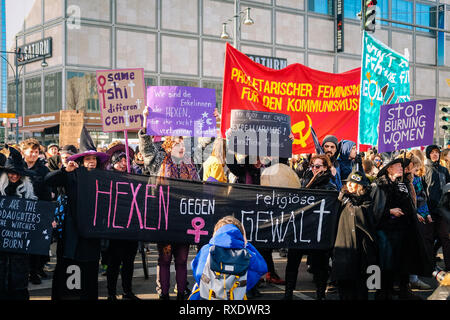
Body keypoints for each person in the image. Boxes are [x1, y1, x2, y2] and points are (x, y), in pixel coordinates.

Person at [45, 127, 110, 300]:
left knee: (89, 271)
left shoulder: (102, 178)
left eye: (94, 159)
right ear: (82, 160)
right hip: (72, 233)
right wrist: (65, 170)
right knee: (69, 268)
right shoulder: (72, 175)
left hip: (92, 234)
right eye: (88, 159)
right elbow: (48, 180)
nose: (91, 162)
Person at [371, 155, 432, 300]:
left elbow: (409, 204)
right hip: (386, 231)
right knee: (386, 262)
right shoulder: (379, 186)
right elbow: (373, 209)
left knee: (405, 260)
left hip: (404, 229)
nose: (401, 168)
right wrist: (389, 211)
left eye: (401, 166)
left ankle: (404, 290)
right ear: (389, 169)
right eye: (397, 166)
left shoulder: (403, 184)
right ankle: (384, 292)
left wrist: (414, 214)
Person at [283, 154, 337, 300]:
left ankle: (320, 294)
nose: (314, 169)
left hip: (317, 230)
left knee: (321, 265)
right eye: (312, 166)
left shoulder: (329, 186)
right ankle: (288, 293)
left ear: (325, 168)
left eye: (318, 166)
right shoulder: (303, 182)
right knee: (292, 262)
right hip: (300, 229)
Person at [157, 135, 200, 300]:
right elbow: (147, 147)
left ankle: (181, 293)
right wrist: (146, 124)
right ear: (168, 147)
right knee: (165, 259)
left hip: (184, 219)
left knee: (182, 260)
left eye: (183, 144)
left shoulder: (190, 164)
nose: (181, 147)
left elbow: (197, 187)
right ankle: (164, 294)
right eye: (176, 144)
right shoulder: (159, 163)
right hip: (165, 218)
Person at [188, 216, 268, 300]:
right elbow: (262, 268)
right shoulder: (247, 253)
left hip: (207, 296)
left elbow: (197, 271)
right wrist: (246, 244)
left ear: (216, 232)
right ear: (240, 233)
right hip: (234, 296)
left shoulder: (207, 249)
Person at [332, 166, 377, 300]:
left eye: (354, 183)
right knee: (344, 282)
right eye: (348, 182)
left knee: (361, 282)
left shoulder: (367, 199)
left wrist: (347, 202)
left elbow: (361, 213)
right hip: (343, 244)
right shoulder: (341, 198)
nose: (350, 185)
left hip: (361, 247)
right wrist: (342, 199)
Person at [0, 145, 38, 300]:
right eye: (11, 172)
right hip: (2, 246)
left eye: (17, 173)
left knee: (18, 282)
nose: (14, 176)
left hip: (20, 247)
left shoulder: (27, 192)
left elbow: (36, 215)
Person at [104, 148, 140, 301]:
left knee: (129, 262)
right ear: (113, 162)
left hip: (131, 225)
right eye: (120, 160)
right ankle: (111, 293)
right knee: (114, 262)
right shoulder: (106, 177)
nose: (124, 163)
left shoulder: (135, 176)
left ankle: (127, 291)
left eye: (126, 161)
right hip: (114, 227)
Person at [20, 138, 52, 285]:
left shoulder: (43, 169)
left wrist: (48, 214)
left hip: (37, 211)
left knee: (34, 244)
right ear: (23, 152)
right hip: (19, 212)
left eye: (36, 152)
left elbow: (47, 193)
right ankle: (21, 272)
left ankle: (34, 272)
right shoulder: (16, 166)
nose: (34, 154)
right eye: (31, 151)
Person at [423, 145, 450, 271]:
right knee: (429, 239)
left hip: (443, 210)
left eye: (437, 152)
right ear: (428, 154)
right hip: (429, 211)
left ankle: (448, 265)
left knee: (445, 238)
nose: (435, 154)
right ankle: (430, 266)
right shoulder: (424, 169)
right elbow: (422, 191)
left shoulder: (444, 170)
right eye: (432, 152)